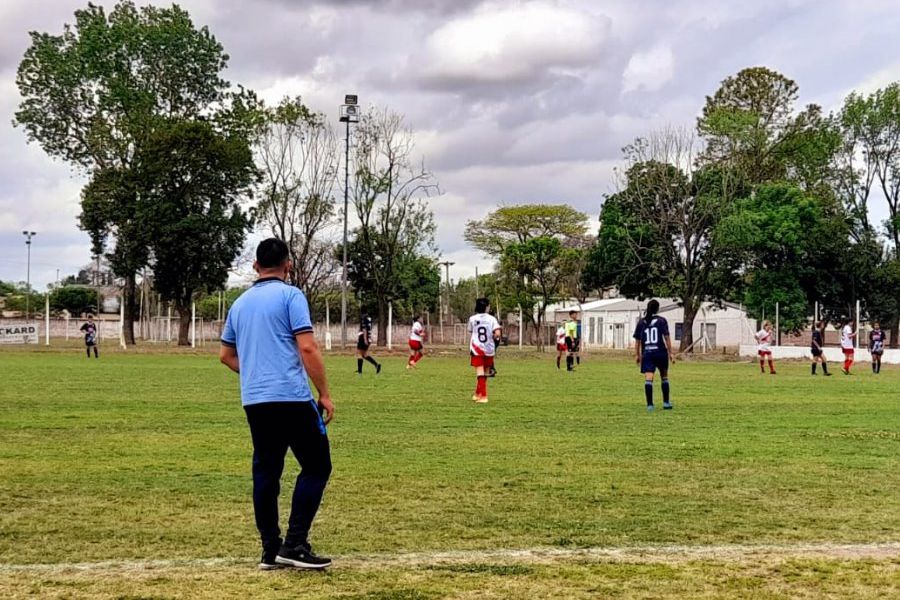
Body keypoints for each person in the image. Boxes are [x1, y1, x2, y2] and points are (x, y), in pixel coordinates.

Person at [219, 238, 335, 571]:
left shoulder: (239, 304)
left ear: (256, 267)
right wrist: (324, 393)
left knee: (267, 471)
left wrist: (256, 370)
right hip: (291, 398)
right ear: (288, 265)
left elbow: (226, 356)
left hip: (255, 400)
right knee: (316, 466)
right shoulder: (290, 295)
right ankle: (295, 544)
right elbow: (308, 348)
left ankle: (271, 550)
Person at [632, 299, 675, 411]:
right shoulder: (662, 321)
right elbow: (666, 337)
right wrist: (671, 353)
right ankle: (666, 403)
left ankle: (650, 405)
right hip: (660, 352)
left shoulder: (642, 322)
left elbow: (637, 341)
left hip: (647, 354)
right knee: (664, 377)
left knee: (649, 378)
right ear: (657, 309)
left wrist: (637, 355)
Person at [468, 298, 502, 403]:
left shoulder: (472, 319)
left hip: (477, 347)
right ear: (487, 307)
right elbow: (497, 333)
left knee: (480, 372)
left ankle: (483, 396)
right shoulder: (492, 319)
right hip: (489, 348)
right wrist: (495, 336)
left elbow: (470, 330)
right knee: (485, 372)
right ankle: (478, 394)